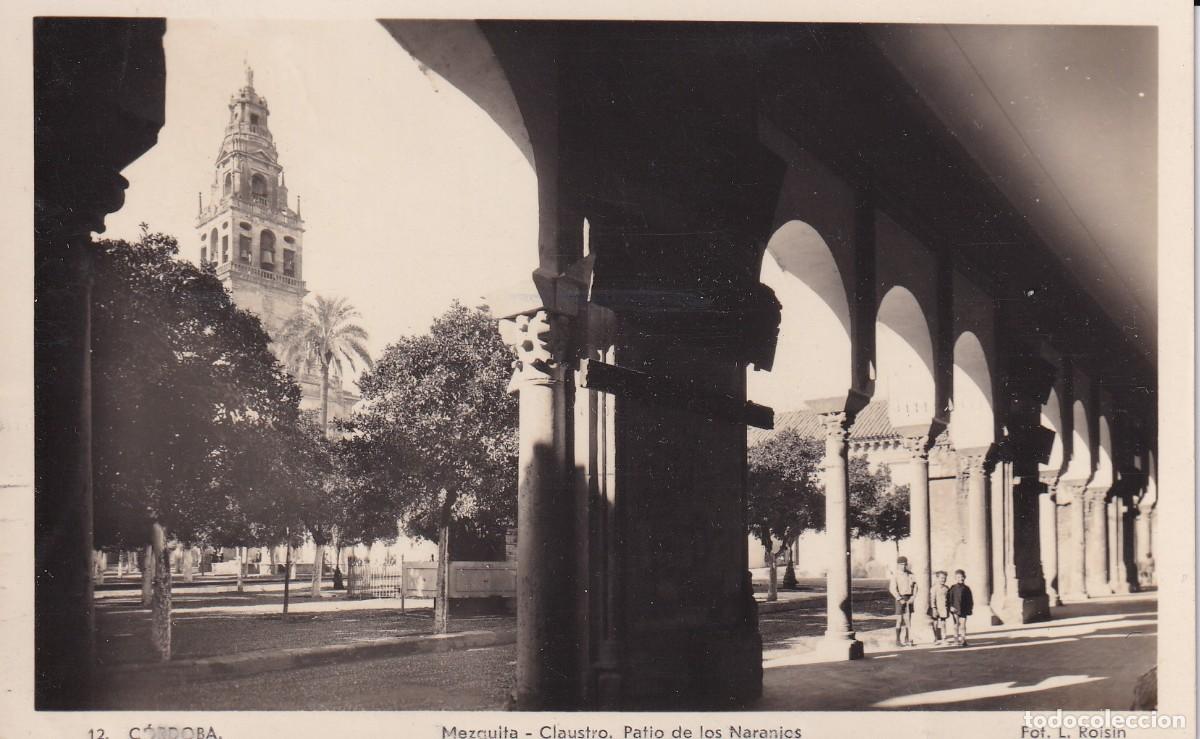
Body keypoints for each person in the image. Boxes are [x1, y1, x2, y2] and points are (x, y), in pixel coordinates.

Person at [889, 556, 917, 647]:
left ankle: (908, 638)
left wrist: (913, 597)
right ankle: (897, 640)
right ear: (898, 565)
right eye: (901, 565)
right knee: (900, 620)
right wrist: (899, 599)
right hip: (900, 598)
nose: (903, 567)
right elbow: (892, 588)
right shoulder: (895, 575)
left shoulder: (911, 574)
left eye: (905, 565)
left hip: (909, 599)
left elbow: (916, 586)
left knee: (908, 619)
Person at [946, 569, 974, 646]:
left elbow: (970, 599)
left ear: (965, 577)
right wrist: (950, 606)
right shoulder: (953, 588)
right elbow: (949, 598)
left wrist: (970, 608)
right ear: (955, 578)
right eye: (958, 577)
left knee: (963, 625)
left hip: (964, 609)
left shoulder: (967, 588)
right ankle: (955, 640)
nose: (960, 579)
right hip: (955, 609)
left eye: (962, 577)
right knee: (956, 625)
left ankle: (963, 640)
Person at [930, 570, 950, 644]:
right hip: (936, 608)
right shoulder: (934, 588)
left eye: (944, 578)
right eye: (941, 578)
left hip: (944, 608)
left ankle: (944, 638)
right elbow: (932, 598)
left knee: (943, 623)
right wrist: (934, 607)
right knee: (935, 623)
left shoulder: (946, 588)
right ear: (937, 578)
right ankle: (936, 638)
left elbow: (948, 599)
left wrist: (948, 608)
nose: (943, 580)